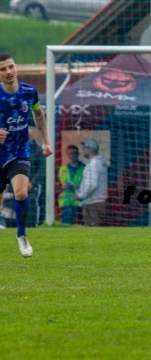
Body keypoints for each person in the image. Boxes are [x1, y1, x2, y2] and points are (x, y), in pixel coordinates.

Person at [0, 53, 53, 257]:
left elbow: (38, 114)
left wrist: (46, 141)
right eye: (3, 69)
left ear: (16, 68)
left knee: (21, 193)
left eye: (11, 67)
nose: (9, 72)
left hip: (19, 150)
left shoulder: (29, 92)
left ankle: (21, 235)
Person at [76, 138, 108, 226]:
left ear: (90, 149)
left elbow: (92, 184)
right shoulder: (100, 162)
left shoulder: (93, 163)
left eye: (84, 148)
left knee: (93, 231)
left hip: (93, 203)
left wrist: (80, 195)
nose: (83, 151)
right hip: (96, 202)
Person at [58, 144, 85, 224]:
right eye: (69, 153)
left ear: (78, 154)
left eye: (74, 153)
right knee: (65, 224)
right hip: (65, 202)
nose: (71, 155)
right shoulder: (62, 169)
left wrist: (76, 186)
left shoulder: (84, 168)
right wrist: (63, 187)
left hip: (78, 201)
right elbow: (58, 185)